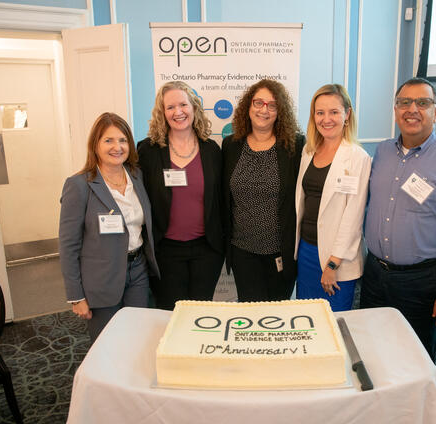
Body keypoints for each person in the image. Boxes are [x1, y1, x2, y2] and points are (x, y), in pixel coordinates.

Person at [360, 77, 436, 359]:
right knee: (371, 347)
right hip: (374, 274)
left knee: (414, 356)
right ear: (395, 109)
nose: (412, 109)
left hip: (420, 282)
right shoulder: (382, 152)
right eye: (404, 102)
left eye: (422, 103)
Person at [59, 112, 159, 342]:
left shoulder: (137, 177)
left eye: (123, 140)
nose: (117, 147)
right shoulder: (79, 185)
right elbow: (68, 245)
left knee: (137, 338)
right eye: (109, 140)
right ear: (95, 145)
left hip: (138, 271)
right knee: (107, 344)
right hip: (100, 279)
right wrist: (76, 296)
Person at [138, 81, 224, 310]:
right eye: (170, 107)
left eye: (183, 105)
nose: (178, 112)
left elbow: (221, 200)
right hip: (165, 251)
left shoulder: (211, 150)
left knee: (200, 313)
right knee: (169, 313)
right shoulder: (148, 151)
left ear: (194, 108)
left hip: (206, 251)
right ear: (162, 113)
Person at [222, 79, 304, 301]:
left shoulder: (295, 146)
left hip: (281, 253)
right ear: (248, 107)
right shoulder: (231, 145)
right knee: (250, 314)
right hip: (242, 251)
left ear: (280, 112)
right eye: (258, 103)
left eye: (272, 105)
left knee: (277, 316)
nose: (264, 110)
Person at [295, 84, 371, 311]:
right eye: (320, 113)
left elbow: (353, 218)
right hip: (307, 250)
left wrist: (333, 264)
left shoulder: (358, 157)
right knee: (306, 318)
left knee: (334, 321)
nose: (326, 119)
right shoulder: (309, 151)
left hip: (337, 259)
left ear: (347, 115)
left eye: (334, 112)